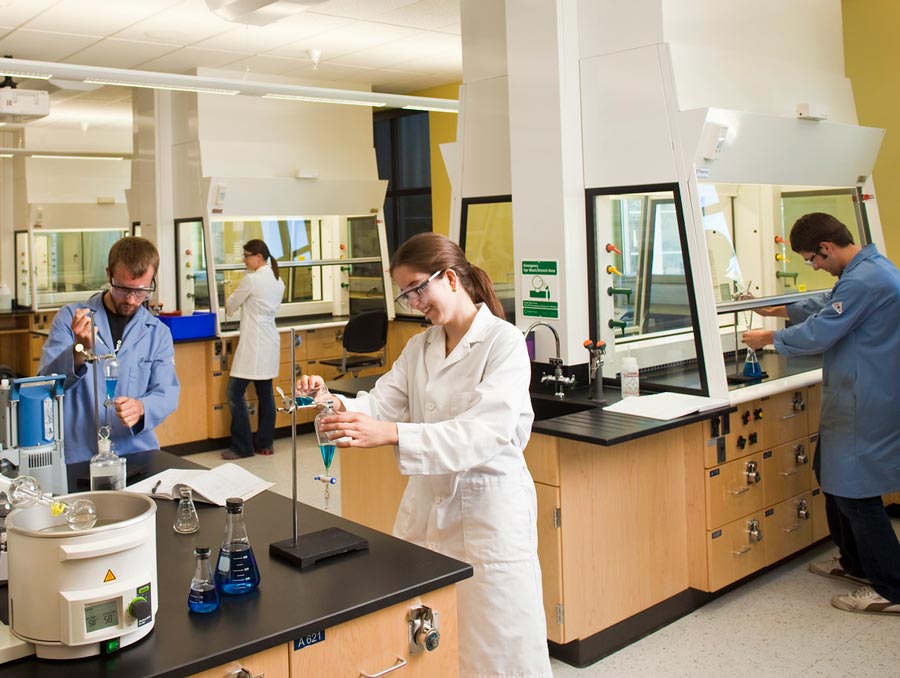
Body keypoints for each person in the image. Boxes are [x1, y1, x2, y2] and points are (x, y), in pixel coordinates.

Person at [296, 233, 552, 677]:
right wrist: (328, 400)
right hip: (429, 514)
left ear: (450, 277)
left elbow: (482, 433)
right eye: (405, 293)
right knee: (431, 642)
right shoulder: (421, 347)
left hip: (488, 515)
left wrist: (394, 434)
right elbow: (377, 405)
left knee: (497, 646)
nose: (413, 301)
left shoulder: (503, 343)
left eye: (418, 288)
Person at [742, 212, 900, 616]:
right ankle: (855, 564)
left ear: (826, 248)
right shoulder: (868, 270)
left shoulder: (866, 280)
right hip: (859, 393)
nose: (813, 266)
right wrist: (773, 310)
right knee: (828, 473)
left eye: (812, 259)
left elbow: (822, 328)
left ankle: (892, 588)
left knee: (855, 492)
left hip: (865, 399)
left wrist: (770, 338)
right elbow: (827, 304)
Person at [39, 236, 180, 463]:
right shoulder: (71, 319)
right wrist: (78, 349)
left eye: (142, 290)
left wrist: (142, 407)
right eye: (123, 289)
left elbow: (167, 392)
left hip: (136, 452)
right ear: (109, 275)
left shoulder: (157, 332)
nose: (132, 300)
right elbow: (45, 384)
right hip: (79, 455)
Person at [222, 239, 285, 459]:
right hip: (269, 341)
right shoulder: (278, 280)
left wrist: (227, 293)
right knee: (265, 393)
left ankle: (242, 446)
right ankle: (265, 443)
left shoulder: (252, 280)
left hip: (254, 344)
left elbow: (230, 306)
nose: (243, 259)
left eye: (246, 255)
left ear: (258, 257)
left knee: (234, 392)